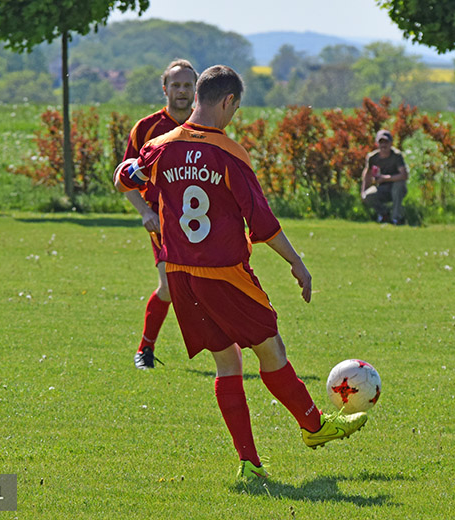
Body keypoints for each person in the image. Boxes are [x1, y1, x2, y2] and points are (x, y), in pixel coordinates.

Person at [115, 65, 367, 480]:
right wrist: (296, 262)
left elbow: (124, 178)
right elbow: (262, 222)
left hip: (180, 274)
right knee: (271, 350)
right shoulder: (230, 153)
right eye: (235, 108)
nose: (234, 115)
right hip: (224, 274)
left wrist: (131, 174)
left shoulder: (159, 146)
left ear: (197, 95)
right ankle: (314, 426)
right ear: (228, 101)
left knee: (227, 362)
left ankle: (249, 464)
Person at [122, 59, 198, 369]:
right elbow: (124, 178)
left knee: (207, 286)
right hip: (162, 220)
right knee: (168, 286)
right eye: (176, 85)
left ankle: (228, 353)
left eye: (188, 85)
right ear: (165, 88)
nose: (182, 91)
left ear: (196, 90)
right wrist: (144, 212)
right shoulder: (147, 128)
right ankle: (145, 349)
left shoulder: (207, 125)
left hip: (198, 222)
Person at [361, 129, 408, 224]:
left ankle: (396, 217)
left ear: (391, 143)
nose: (383, 145)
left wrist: (385, 178)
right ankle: (384, 213)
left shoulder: (396, 156)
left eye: (386, 142)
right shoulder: (372, 157)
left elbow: (404, 175)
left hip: (396, 186)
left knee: (398, 186)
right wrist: (363, 191)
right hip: (382, 188)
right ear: (377, 143)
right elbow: (367, 174)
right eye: (381, 142)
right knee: (367, 196)